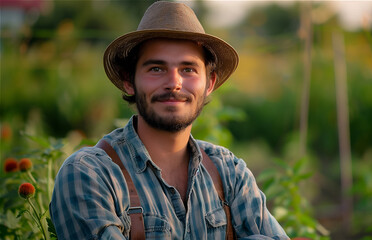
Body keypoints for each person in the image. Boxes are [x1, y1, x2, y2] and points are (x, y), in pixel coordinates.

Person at [49, 1, 289, 239]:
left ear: (210, 83)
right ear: (129, 80)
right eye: (156, 68)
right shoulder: (90, 175)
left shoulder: (230, 174)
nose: (174, 83)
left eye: (188, 69)